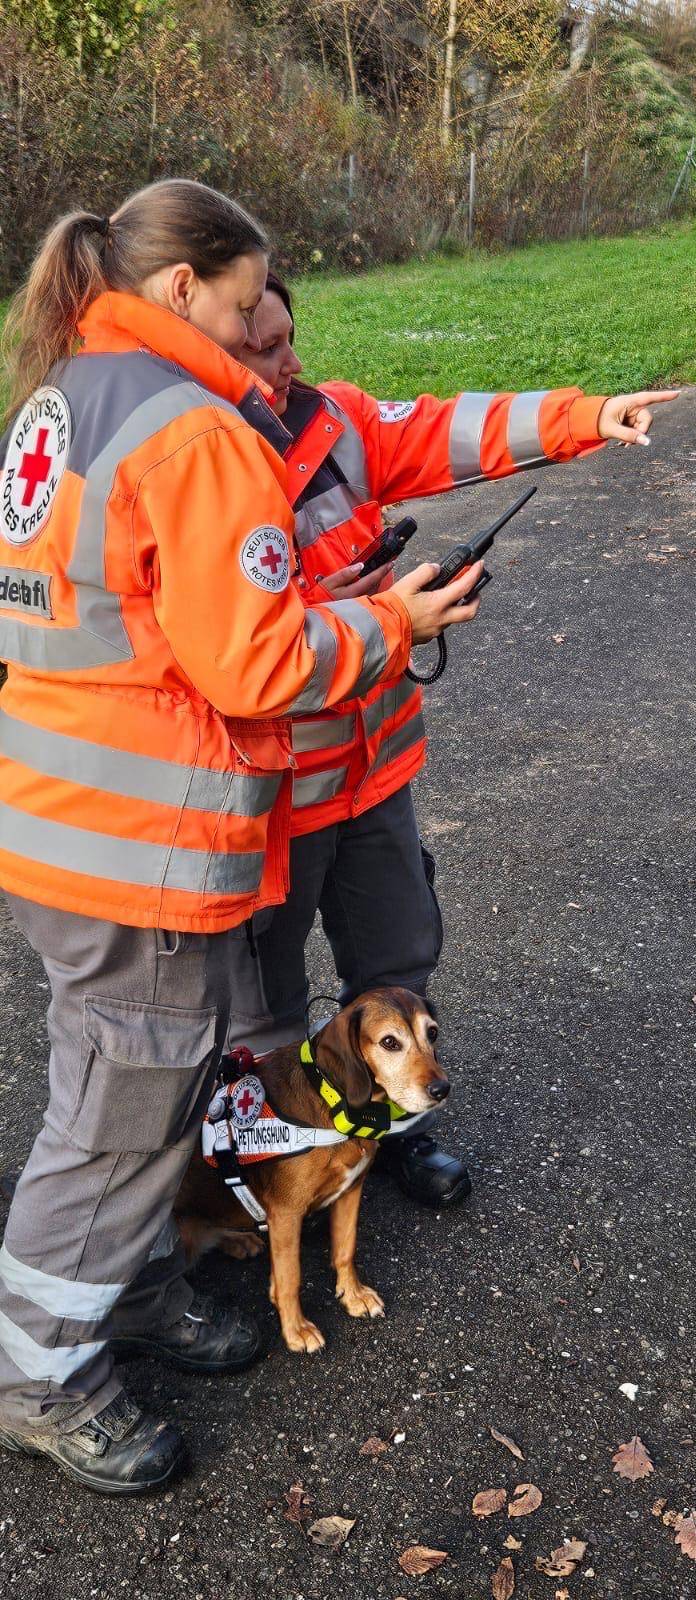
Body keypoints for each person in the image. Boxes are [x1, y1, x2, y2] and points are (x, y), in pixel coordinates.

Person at [0, 180, 482, 1494]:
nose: (262, 320)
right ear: (181, 293)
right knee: (111, 1120)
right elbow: (256, 663)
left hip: (60, 817)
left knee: (129, 1096)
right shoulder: (194, 430)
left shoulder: (62, 399)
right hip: (142, 842)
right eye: (245, 296)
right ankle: (39, 1378)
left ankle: (142, 1284)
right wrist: (398, 622)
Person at [237, 271, 678, 1207]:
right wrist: (373, 613)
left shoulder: (332, 417)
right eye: (263, 347)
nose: (290, 362)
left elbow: (440, 428)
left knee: (399, 964)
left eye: (288, 336)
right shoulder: (195, 456)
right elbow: (229, 639)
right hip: (270, 794)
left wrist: (583, 416)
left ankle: (395, 1128)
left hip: (374, 771)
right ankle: (270, 1171)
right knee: (261, 1005)